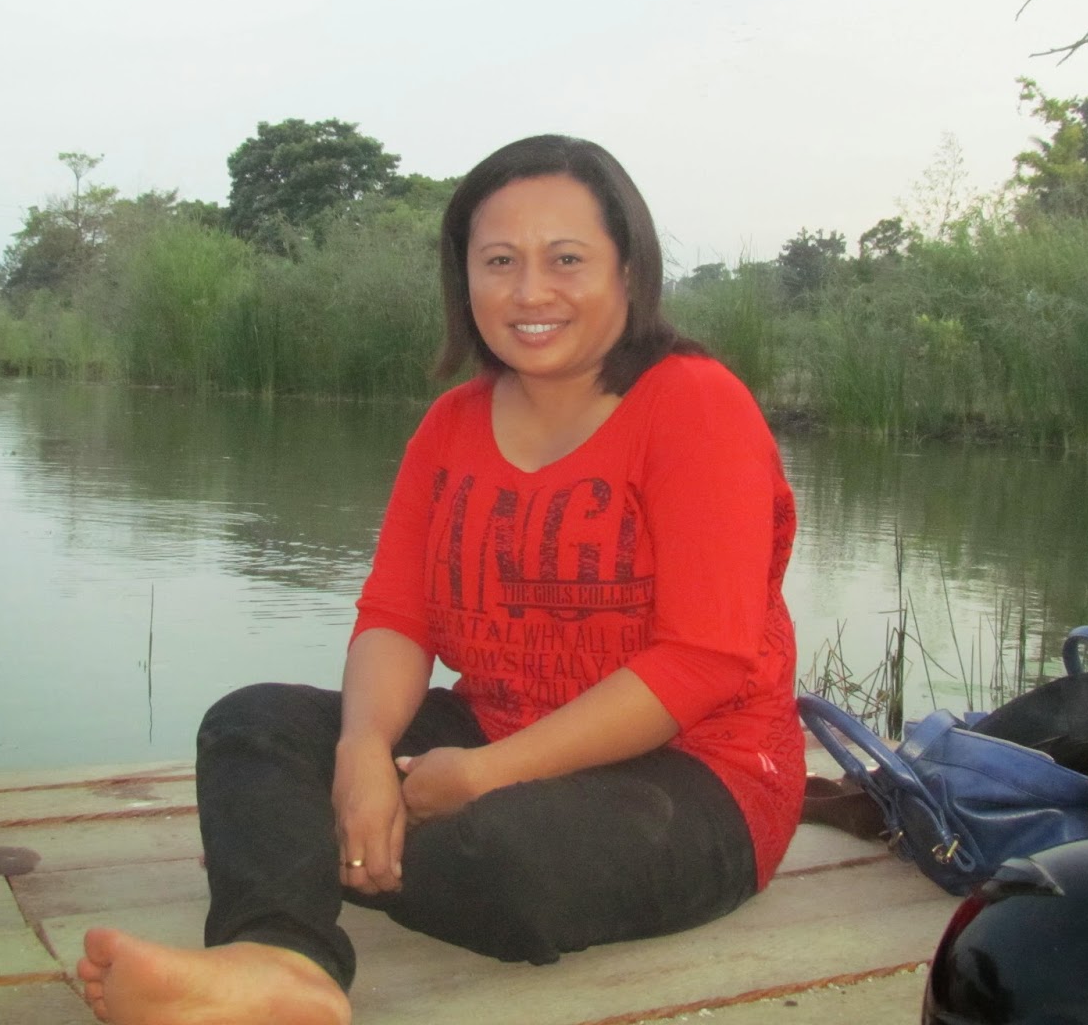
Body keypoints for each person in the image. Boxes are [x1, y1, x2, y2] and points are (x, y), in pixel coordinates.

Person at [77, 135, 806, 1025]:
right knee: (253, 725)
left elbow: (700, 660)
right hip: (493, 728)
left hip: (698, 776)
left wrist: (485, 775)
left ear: (628, 269)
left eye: (565, 259)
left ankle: (307, 850)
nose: (529, 292)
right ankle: (280, 960)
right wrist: (360, 754)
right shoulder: (452, 425)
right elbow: (398, 615)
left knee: (502, 851)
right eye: (499, 261)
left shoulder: (695, 403)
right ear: (464, 278)